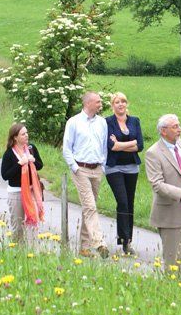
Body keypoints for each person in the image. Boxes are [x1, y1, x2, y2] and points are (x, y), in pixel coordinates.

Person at [145, 113, 181, 277]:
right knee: (173, 262)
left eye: (179, 125)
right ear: (163, 131)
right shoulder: (153, 153)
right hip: (170, 211)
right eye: (175, 127)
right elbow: (157, 184)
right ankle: (173, 290)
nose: (180, 129)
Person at [61, 91, 110, 258]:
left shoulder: (102, 123)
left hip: (97, 169)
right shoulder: (74, 122)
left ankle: (84, 247)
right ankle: (99, 242)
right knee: (90, 206)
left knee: (89, 207)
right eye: (98, 102)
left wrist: (103, 166)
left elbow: (104, 146)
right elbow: (67, 148)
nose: (100, 104)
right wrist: (74, 167)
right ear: (88, 103)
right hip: (80, 169)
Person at [105, 92, 144, 256]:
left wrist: (120, 144)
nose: (120, 104)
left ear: (127, 104)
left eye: (123, 101)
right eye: (117, 102)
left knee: (129, 203)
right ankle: (124, 238)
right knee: (122, 202)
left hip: (132, 167)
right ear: (112, 105)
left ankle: (127, 241)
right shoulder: (107, 122)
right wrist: (130, 143)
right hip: (114, 167)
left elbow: (140, 145)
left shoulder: (134, 121)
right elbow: (111, 146)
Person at [0, 122, 45, 247]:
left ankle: (32, 251)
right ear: (15, 137)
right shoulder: (9, 153)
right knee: (18, 226)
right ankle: (17, 251)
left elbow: (40, 165)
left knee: (33, 224)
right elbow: (5, 175)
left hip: (32, 192)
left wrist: (33, 160)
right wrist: (19, 164)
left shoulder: (31, 148)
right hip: (16, 193)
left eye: (27, 133)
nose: (26, 136)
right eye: (23, 134)